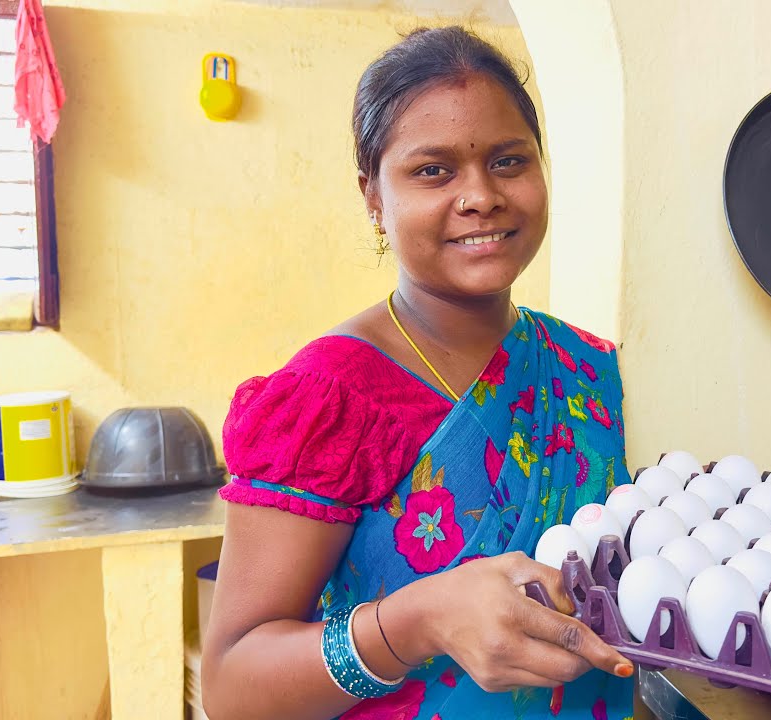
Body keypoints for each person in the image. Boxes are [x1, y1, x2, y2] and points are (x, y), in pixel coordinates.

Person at [201, 26, 637, 720]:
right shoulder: (328, 399)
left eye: (508, 160)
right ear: (373, 196)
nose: (481, 196)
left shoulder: (587, 369)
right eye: (433, 170)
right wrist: (416, 621)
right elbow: (229, 688)